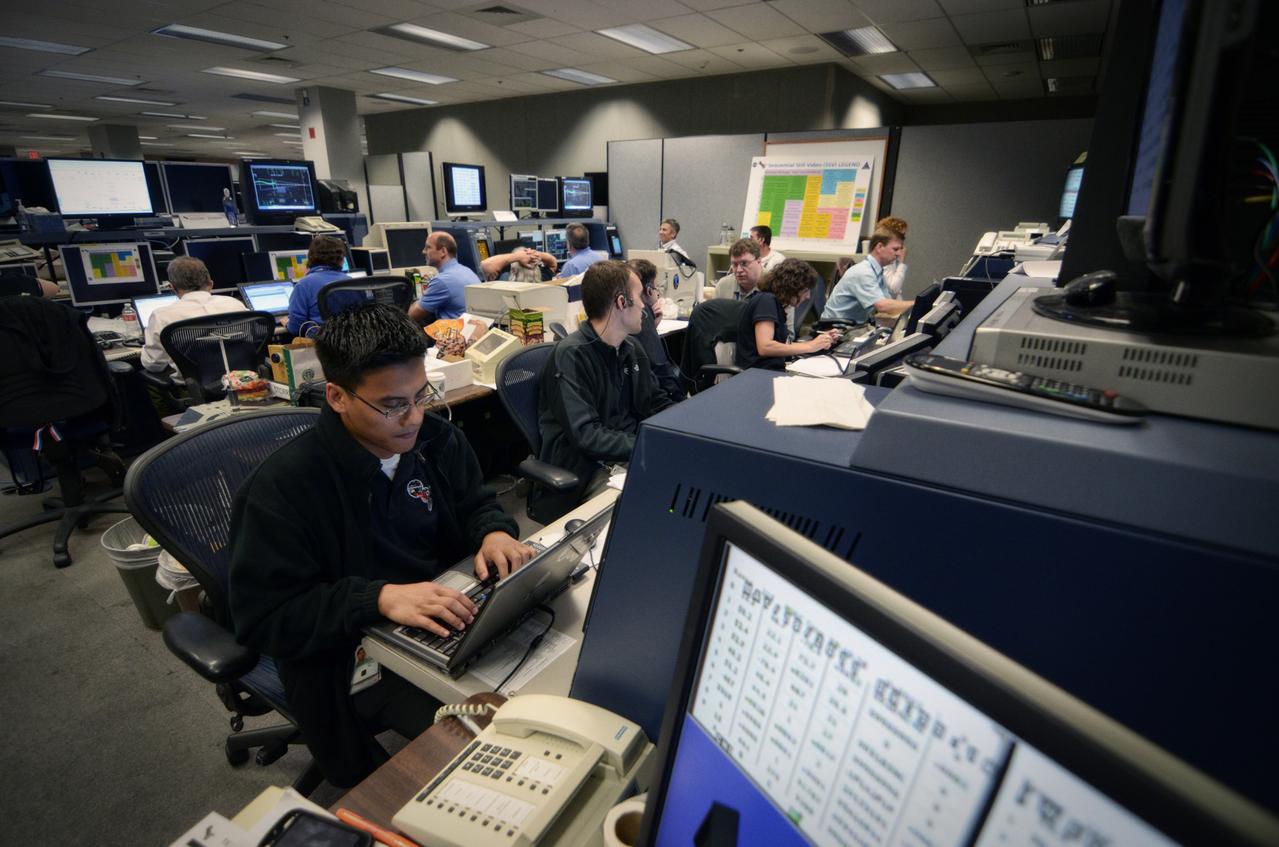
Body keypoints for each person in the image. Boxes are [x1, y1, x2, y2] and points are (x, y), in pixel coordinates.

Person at [227, 303, 534, 787]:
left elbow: (476, 503)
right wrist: (380, 598)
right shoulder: (283, 490)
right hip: (348, 651)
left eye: (421, 395)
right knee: (498, 753)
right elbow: (265, 617)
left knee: (542, 688)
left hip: (441, 614)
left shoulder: (437, 441)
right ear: (337, 396)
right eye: (393, 405)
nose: (414, 417)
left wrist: (493, 531)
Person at [535, 261, 673, 517]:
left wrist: (687, 426)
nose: (644, 304)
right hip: (589, 468)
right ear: (622, 302)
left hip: (626, 454)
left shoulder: (631, 349)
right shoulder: (571, 356)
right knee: (652, 508)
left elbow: (654, 402)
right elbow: (587, 435)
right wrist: (648, 444)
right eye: (639, 296)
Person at [141, 256, 246, 373]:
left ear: (173, 288)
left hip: (192, 387)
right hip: (244, 382)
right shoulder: (235, 304)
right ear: (210, 284)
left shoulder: (161, 316)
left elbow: (154, 364)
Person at [735, 258, 838, 371]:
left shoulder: (776, 305)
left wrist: (819, 343)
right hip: (757, 375)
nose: (808, 296)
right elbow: (765, 347)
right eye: (806, 290)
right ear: (793, 287)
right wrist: (810, 346)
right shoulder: (766, 301)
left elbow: (783, 347)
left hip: (767, 372)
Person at [821, 229, 912, 325]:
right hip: (834, 330)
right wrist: (916, 304)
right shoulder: (864, 272)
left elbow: (888, 304)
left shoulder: (876, 271)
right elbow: (883, 306)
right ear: (880, 247)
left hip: (850, 328)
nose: (899, 254)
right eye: (895, 249)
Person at [628, 257, 686, 403]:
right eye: (655, 287)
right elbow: (659, 365)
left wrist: (653, 325)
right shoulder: (644, 314)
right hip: (654, 395)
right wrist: (681, 399)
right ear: (648, 290)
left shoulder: (633, 315)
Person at [286, 235, 350, 336]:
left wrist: (287, 324)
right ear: (341, 259)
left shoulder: (304, 284)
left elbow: (295, 328)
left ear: (311, 257)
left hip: (320, 347)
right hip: (351, 345)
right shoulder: (349, 281)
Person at [409, 231, 478, 324]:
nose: (423, 251)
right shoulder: (467, 271)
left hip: (455, 335)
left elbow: (411, 315)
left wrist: (419, 300)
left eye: (428, 247)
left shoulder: (442, 281)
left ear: (443, 252)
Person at [875, 215, 909, 297]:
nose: (904, 239)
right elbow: (894, 289)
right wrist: (902, 262)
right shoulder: (884, 256)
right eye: (902, 236)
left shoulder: (891, 255)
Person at [480, 246, 557, 281]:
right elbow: (553, 262)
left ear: (513, 271)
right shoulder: (544, 279)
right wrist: (534, 254)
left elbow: (486, 265)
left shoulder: (505, 288)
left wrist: (517, 256)